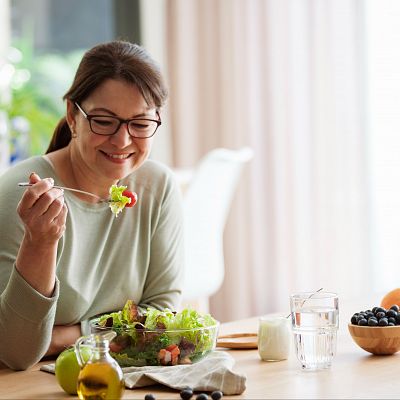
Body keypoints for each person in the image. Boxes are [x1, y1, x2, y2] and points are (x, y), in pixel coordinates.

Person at [0, 41, 184, 370]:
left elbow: (162, 314)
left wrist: (66, 336)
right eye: (104, 121)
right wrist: (40, 241)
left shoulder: (157, 187)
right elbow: (15, 352)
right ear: (73, 115)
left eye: (140, 124)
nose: (122, 141)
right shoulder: (25, 197)